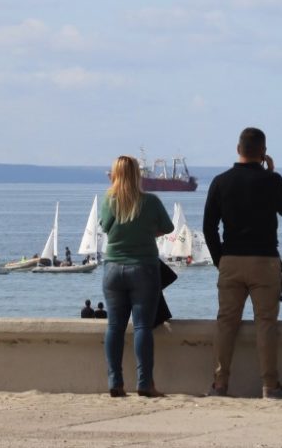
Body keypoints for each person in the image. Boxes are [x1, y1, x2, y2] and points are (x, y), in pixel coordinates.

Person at [204, 127, 282, 399]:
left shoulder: (221, 182)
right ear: (263, 152)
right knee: (265, 322)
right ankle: (270, 385)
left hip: (231, 259)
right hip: (264, 260)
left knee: (226, 323)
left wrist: (219, 260)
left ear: (238, 149)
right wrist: (271, 174)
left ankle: (220, 384)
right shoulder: (271, 180)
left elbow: (209, 227)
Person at [100, 155, 175, 398]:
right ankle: (145, 383)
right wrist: (147, 231)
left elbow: (105, 226)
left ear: (115, 175)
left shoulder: (109, 201)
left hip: (113, 269)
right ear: (137, 174)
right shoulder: (150, 201)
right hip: (144, 267)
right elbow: (169, 227)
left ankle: (115, 381)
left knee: (115, 326)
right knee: (142, 326)